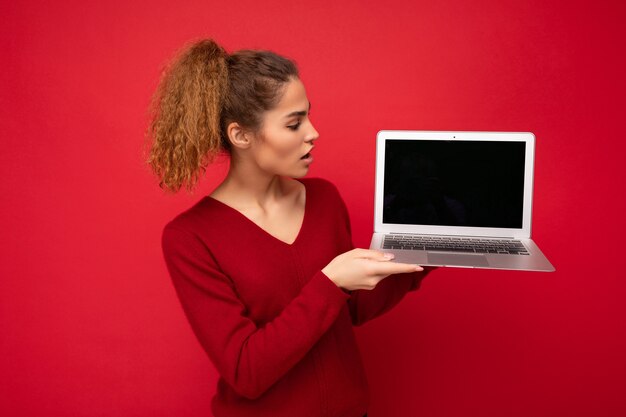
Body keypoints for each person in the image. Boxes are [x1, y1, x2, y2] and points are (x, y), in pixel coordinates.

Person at [147, 38, 432, 417]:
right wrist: (330, 282)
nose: (312, 132)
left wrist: (433, 249)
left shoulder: (324, 199)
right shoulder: (190, 238)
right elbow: (246, 371)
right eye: (294, 123)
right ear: (241, 135)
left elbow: (351, 310)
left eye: (308, 117)